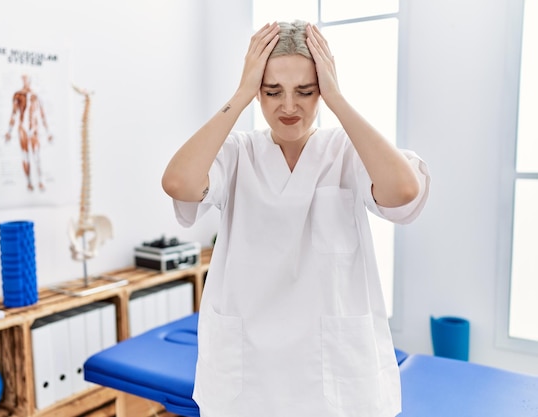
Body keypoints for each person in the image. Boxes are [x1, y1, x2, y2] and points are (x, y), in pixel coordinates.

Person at [162, 21, 430, 417]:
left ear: (322, 87)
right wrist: (240, 93)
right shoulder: (237, 154)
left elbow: (403, 191)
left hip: (331, 377)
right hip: (248, 376)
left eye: (305, 91)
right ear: (257, 91)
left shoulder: (345, 151)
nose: (289, 106)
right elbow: (179, 182)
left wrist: (337, 99)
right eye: (272, 92)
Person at [5, 74, 53, 191]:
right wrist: (9, 131)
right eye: (24, 78)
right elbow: (14, 113)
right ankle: (29, 182)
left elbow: (42, 114)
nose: (25, 80)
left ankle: (40, 181)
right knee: (25, 156)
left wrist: (48, 132)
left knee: (36, 155)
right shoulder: (18, 95)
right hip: (23, 129)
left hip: (34, 128)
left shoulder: (36, 96)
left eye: (27, 78)